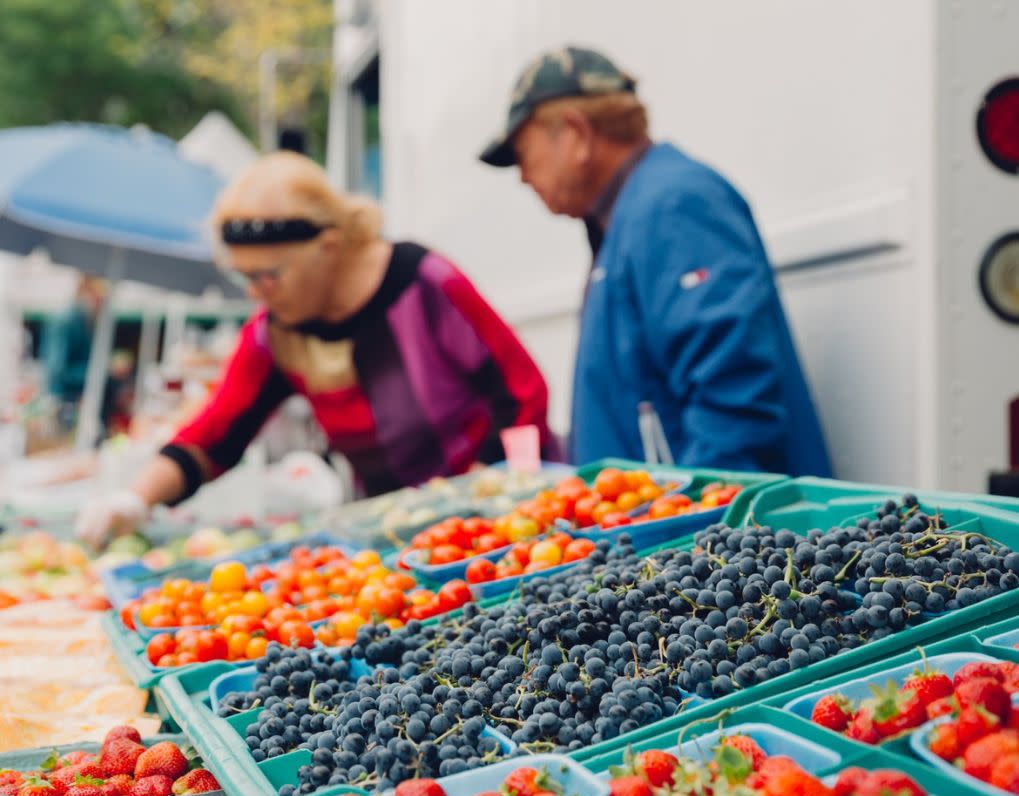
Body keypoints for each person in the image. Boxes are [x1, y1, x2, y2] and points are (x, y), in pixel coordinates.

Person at [76, 151, 557, 546]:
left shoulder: (424, 282)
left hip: (503, 518)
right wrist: (135, 499)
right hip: (404, 537)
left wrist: (485, 493)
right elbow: (213, 436)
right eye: (244, 276)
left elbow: (523, 394)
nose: (256, 291)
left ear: (329, 247)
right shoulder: (275, 330)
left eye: (269, 275)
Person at [480, 46, 832, 476]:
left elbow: (733, 399)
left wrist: (692, 527)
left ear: (574, 133)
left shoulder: (673, 205)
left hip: (706, 534)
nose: (523, 175)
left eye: (524, 153)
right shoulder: (633, 213)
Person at [41, 274, 131, 435]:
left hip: (79, 405)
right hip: (68, 406)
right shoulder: (68, 320)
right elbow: (58, 371)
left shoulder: (85, 320)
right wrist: (105, 370)